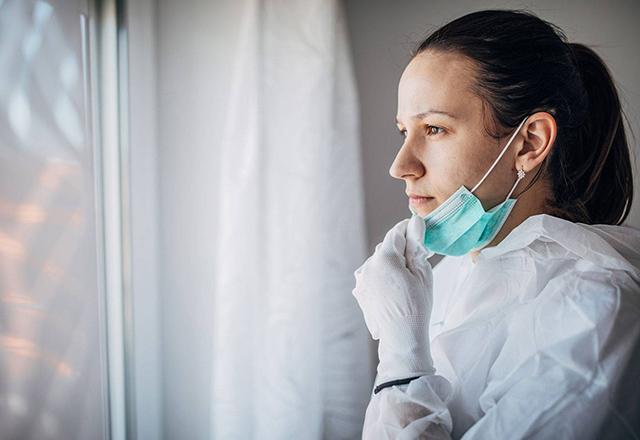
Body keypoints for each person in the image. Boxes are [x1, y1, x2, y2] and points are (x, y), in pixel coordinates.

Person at [351, 9, 640, 439]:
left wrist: (401, 354)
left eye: (433, 128)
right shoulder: (453, 277)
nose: (400, 166)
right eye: (403, 131)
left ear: (530, 142)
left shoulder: (596, 309)